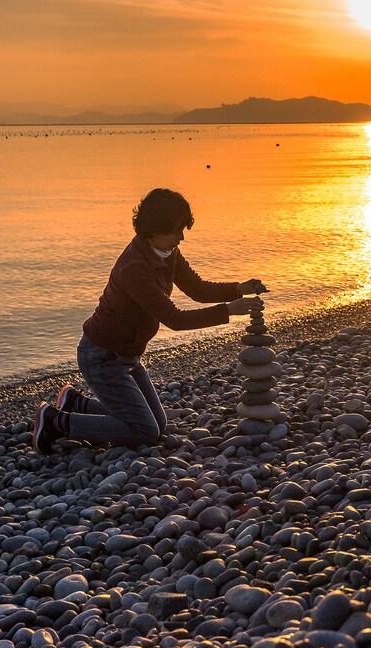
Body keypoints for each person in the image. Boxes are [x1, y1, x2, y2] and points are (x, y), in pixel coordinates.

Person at [32, 188, 266, 452]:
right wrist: (228, 310)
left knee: (158, 423)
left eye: (183, 230)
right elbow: (175, 319)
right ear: (155, 229)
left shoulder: (167, 254)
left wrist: (238, 288)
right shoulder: (135, 268)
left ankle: (77, 404)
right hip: (102, 356)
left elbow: (198, 289)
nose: (181, 237)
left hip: (128, 356)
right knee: (144, 431)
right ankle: (55, 421)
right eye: (176, 230)